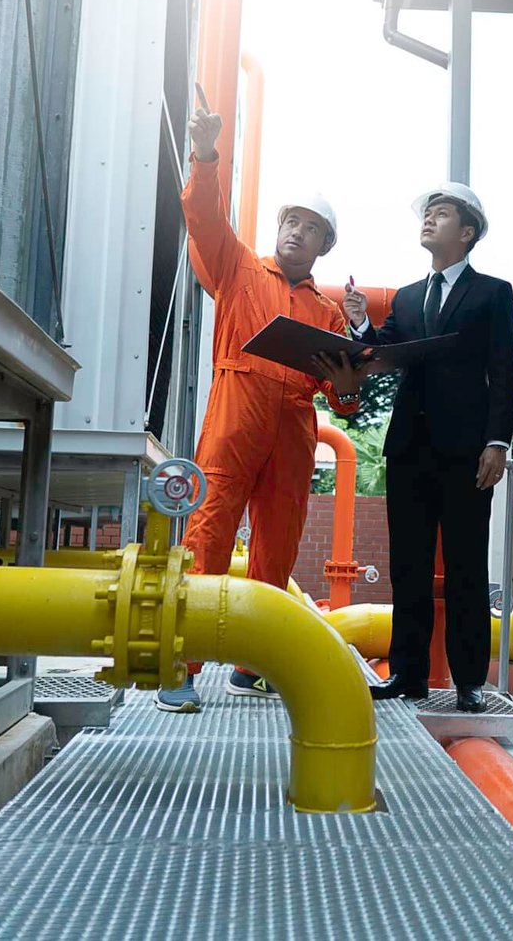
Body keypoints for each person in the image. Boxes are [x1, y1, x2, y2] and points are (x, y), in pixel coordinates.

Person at [156, 100, 363, 713]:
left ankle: (255, 665)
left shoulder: (328, 313)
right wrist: (206, 155)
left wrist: (351, 368)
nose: (296, 231)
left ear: (324, 245)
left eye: (310, 228)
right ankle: (181, 666)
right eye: (290, 221)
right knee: (208, 533)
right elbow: (204, 218)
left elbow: (344, 405)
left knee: (277, 546)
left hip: (294, 427)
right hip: (234, 416)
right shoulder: (239, 267)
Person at [342, 183, 513, 713]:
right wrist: (360, 322)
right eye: (427, 214)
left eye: (440, 214)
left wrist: (497, 443)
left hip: (467, 452)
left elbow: (503, 372)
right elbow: (383, 352)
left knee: (466, 567)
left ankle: (469, 682)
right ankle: (408, 674)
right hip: (409, 450)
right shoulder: (407, 297)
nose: (428, 220)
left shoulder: (493, 293)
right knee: (408, 565)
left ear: (466, 233)